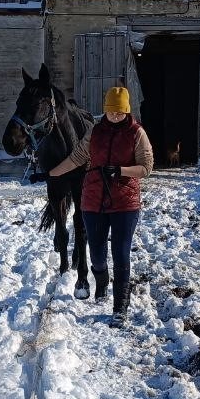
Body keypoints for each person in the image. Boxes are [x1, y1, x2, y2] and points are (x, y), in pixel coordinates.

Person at [45, 85, 153, 319]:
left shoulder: (136, 133)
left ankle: (120, 308)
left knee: (121, 252)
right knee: (96, 253)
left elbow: (146, 167)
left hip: (125, 202)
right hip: (93, 200)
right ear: (105, 110)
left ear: (127, 111)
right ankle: (101, 280)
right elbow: (77, 157)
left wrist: (122, 171)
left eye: (119, 112)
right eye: (111, 112)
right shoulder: (94, 132)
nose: (115, 116)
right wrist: (52, 173)